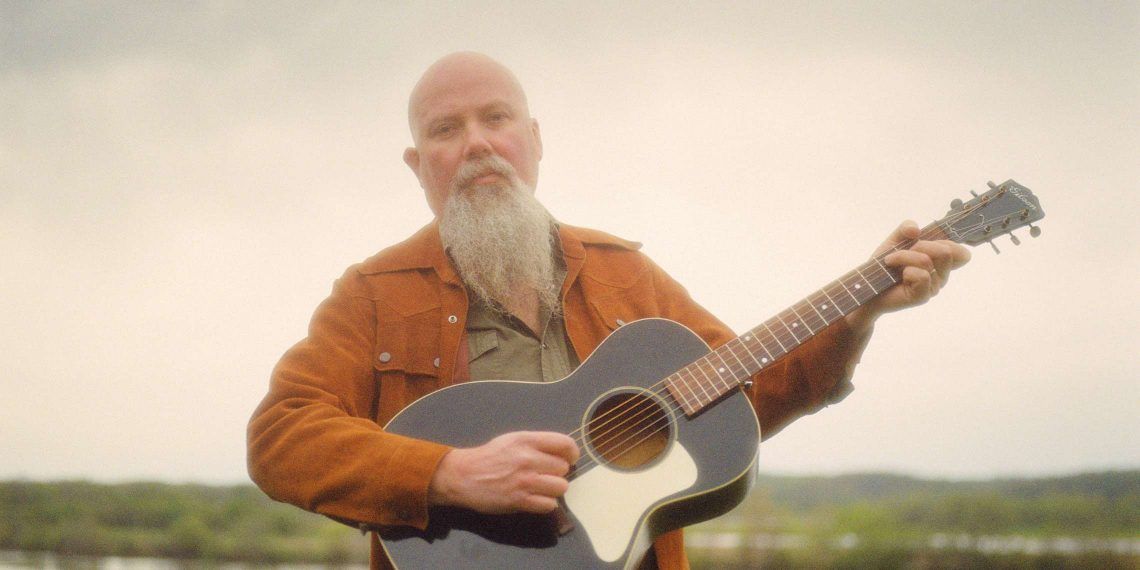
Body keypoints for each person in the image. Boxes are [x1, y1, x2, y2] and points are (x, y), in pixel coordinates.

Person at [247, 52, 970, 570]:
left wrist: (858, 314)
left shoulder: (625, 275)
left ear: (533, 140)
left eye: (496, 118)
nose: (475, 143)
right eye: (445, 129)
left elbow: (753, 391)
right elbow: (281, 437)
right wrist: (447, 473)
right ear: (417, 164)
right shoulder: (375, 291)